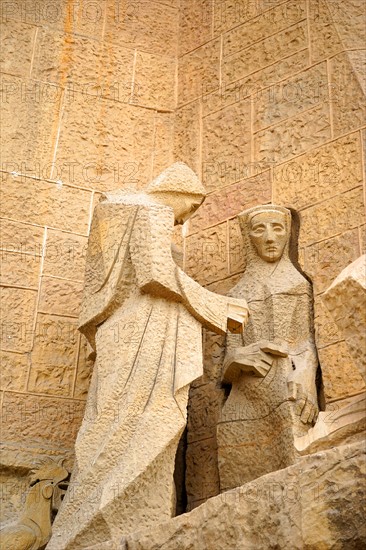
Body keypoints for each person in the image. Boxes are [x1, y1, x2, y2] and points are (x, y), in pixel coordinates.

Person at [49, 163, 248, 548]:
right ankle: (98, 530)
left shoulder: (118, 209)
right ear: (180, 193)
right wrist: (215, 306)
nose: (185, 220)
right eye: (190, 209)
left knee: (114, 424)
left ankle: (82, 527)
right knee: (140, 422)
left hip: (126, 329)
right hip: (146, 327)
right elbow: (154, 272)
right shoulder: (151, 209)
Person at [217, 204, 319, 491]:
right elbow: (229, 358)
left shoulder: (296, 284)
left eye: (278, 228)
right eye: (260, 229)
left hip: (284, 384)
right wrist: (237, 358)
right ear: (249, 236)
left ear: (288, 232)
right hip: (244, 397)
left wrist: (306, 376)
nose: (270, 237)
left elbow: (306, 341)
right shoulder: (237, 294)